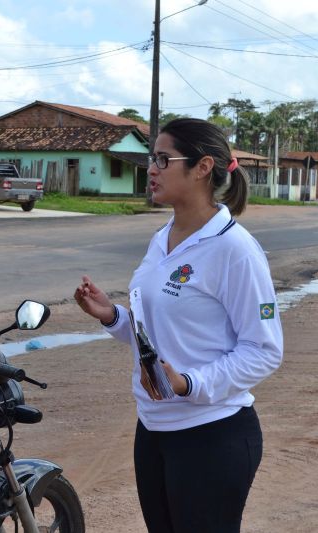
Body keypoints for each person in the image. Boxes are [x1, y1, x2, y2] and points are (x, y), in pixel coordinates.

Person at [74, 118, 283, 533]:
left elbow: (264, 350)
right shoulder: (163, 236)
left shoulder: (235, 250)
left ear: (203, 167)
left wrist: (189, 382)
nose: (151, 169)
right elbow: (158, 329)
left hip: (212, 436)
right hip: (153, 429)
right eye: (152, 159)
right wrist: (113, 317)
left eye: (164, 160)